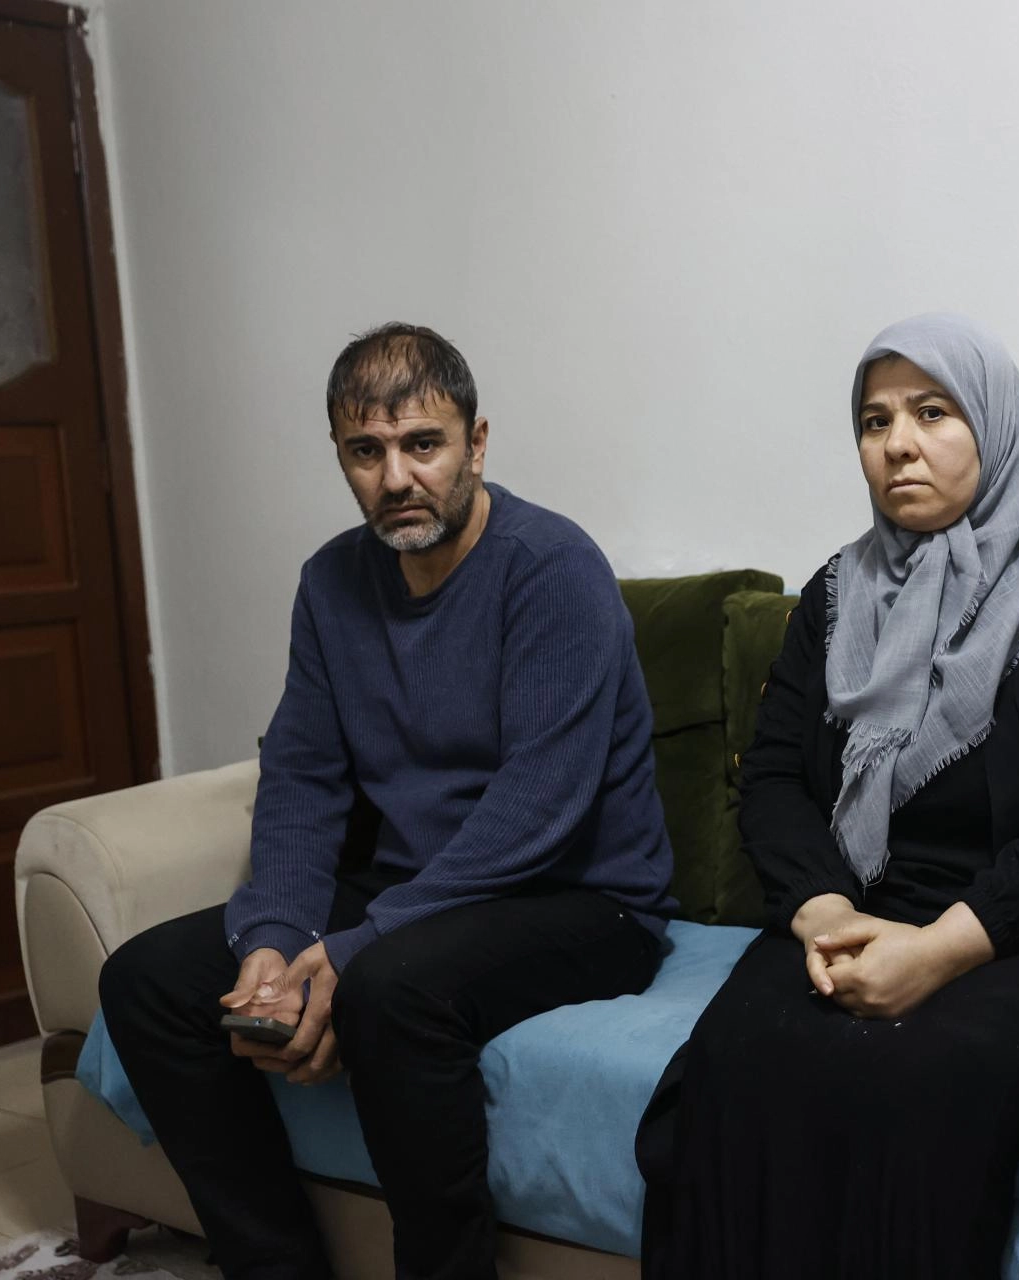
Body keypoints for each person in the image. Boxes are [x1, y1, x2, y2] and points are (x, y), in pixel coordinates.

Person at [99, 323, 678, 1280]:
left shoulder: (553, 567)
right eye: (366, 451)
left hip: (582, 898)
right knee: (147, 980)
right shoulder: (331, 583)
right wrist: (274, 938)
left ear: (476, 444)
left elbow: (537, 809)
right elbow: (303, 779)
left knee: (391, 990)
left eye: (423, 444)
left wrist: (358, 948)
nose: (397, 477)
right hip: (415, 889)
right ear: (341, 457)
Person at [636, 313, 1019, 1279]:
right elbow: (772, 777)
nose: (898, 443)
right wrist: (822, 913)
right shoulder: (837, 593)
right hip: (859, 908)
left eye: (933, 412)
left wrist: (939, 952)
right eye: (875, 420)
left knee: (917, 1076)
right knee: (737, 1059)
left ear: (995, 422)